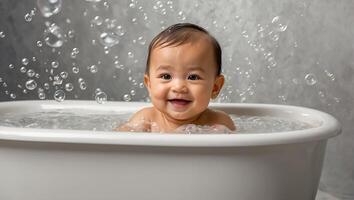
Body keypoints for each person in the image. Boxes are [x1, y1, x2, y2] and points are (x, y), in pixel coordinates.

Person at [115, 23, 236, 133]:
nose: (178, 87)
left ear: (215, 88)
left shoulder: (219, 122)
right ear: (149, 84)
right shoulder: (145, 120)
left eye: (193, 77)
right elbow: (121, 144)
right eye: (166, 76)